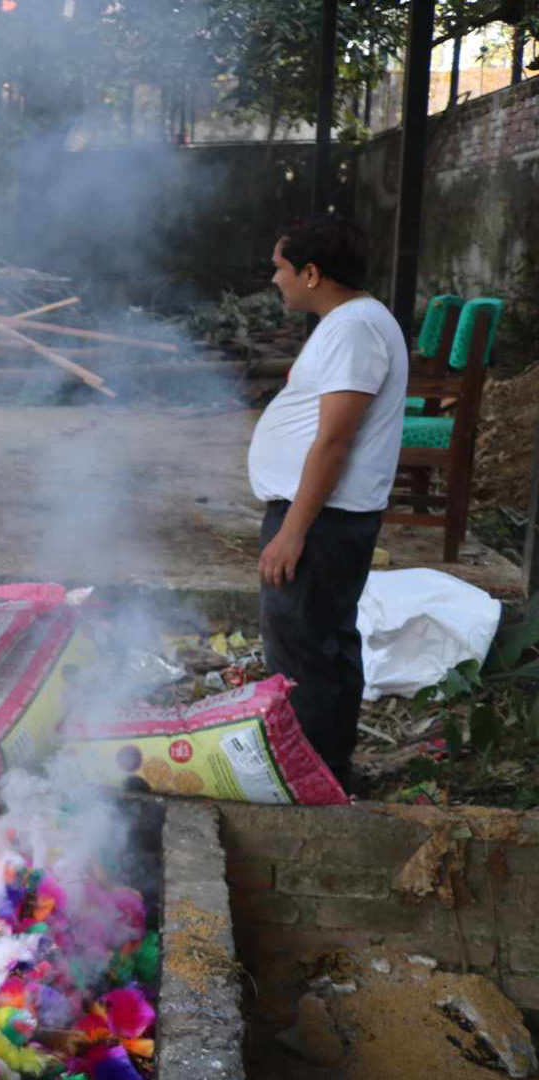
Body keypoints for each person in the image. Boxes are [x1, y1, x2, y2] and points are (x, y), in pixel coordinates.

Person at [249, 215, 406, 786]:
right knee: (321, 644)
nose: (275, 279)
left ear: (312, 273)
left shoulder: (355, 328)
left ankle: (308, 780)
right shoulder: (348, 323)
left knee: (305, 652)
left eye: (280, 267)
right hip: (324, 516)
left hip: (321, 518)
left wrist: (293, 530)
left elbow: (335, 440)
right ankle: (328, 772)